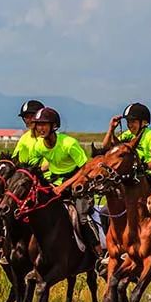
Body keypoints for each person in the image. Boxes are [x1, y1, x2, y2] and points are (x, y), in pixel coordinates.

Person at [28, 107, 100, 254]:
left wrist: (64, 186)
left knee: (82, 216)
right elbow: (35, 167)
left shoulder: (69, 143)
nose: (40, 128)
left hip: (78, 182)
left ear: (54, 126)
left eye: (44, 124)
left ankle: (98, 252)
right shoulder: (38, 146)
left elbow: (86, 168)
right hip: (56, 183)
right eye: (38, 124)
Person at [103, 102, 151, 172]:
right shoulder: (126, 134)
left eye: (133, 121)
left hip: (145, 174)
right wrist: (111, 128)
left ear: (144, 122)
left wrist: (142, 167)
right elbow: (106, 147)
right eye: (128, 121)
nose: (130, 125)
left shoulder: (150, 135)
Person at [12, 99, 44, 164]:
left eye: (32, 116)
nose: (29, 120)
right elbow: (15, 159)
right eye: (26, 117)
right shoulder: (24, 138)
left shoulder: (51, 137)